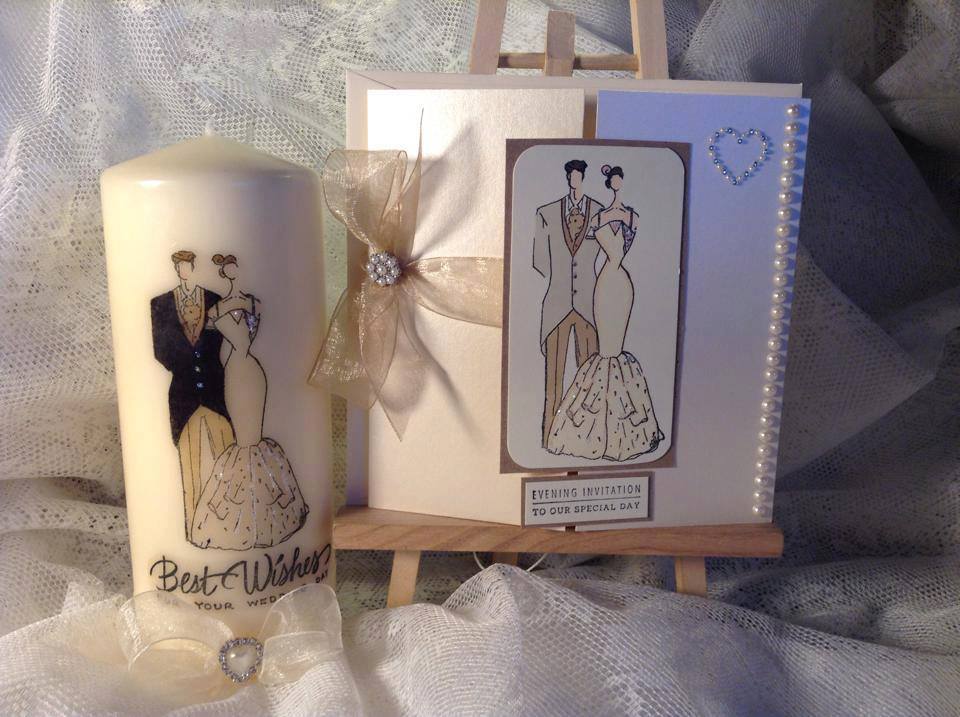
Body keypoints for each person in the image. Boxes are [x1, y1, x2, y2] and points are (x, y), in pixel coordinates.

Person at [191, 253, 309, 549]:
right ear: (223, 272)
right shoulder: (219, 308)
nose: (233, 271)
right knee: (244, 438)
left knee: (254, 434)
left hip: (253, 372)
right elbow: (215, 339)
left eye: (235, 267)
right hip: (234, 371)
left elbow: (249, 332)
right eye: (228, 268)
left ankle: (266, 517)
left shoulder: (251, 303)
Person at [546, 165, 664, 461]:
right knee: (606, 349)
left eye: (620, 180)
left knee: (617, 347)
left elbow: (626, 244)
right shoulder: (598, 217)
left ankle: (624, 430)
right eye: (613, 180)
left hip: (622, 284)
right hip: (604, 285)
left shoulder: (631, 216)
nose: (617, 183)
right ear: (609, 182)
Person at [150, 250, 233, 542]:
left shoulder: (214, 298)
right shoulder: (160, 303)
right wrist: (186, 363)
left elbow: (224, 340)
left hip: (215, 393)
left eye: (188, 266)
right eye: (180, 267)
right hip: (183, 397)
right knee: (191, 466)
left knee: (225, 461)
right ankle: (194, 532)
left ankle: (226, 529)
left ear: (193, 268)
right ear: (176, 269)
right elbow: (160, 350)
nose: (184, 270)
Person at [533, 159, 604, 446]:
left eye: (578, 176)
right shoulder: (546, 213)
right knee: (554, 379)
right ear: (567, 178)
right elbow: (540, 261)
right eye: (571, 176)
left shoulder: (600, 212)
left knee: (590, 379)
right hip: (557, 304)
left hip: (589, 305)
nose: (574, 180)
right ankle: (549, 437)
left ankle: (587, 440)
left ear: (582, 178)